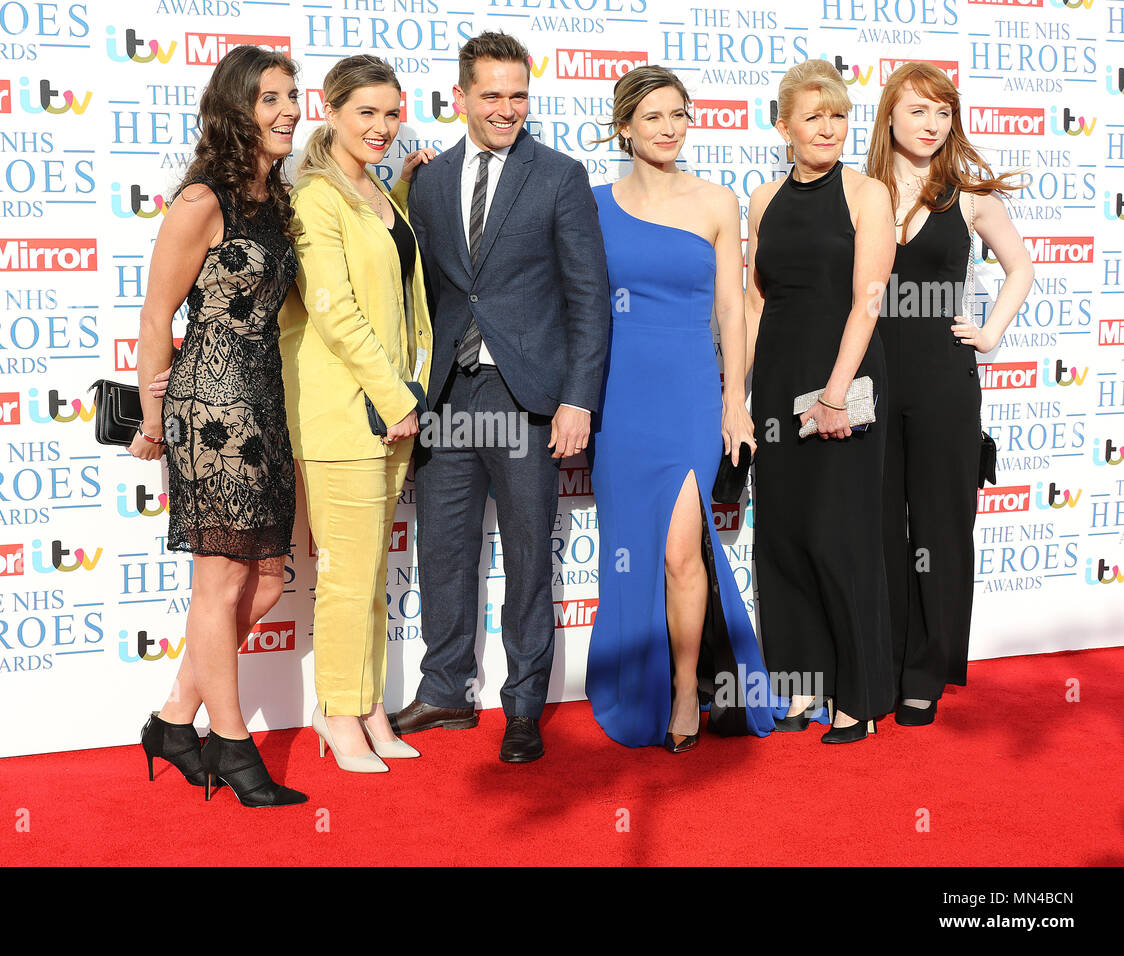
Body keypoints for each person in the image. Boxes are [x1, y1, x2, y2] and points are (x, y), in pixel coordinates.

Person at [389, 31, 610, 763]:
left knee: (526, 560)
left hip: (526, 401)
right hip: (447, 397)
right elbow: (414, 288)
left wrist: (578, 400)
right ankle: (446, 690)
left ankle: (522, 707)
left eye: (518, 95)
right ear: (460, 98)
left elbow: (589, 299)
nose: (506, 108)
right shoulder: (427, 180)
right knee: (442, 552)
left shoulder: (559, 176)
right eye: (491, 95)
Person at [132, 46, 306, 807]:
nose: (289, 111)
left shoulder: (278, 199)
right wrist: (155, 419)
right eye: (269, 99)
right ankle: (233, 746)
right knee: (222, 579)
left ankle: (175, 718)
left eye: (292, 97)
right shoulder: (203, 200)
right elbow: (154, 315)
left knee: (268, 576)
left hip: (264, 397)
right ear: (236, 111)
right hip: (210, 403)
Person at [585, 65, 776, 752]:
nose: (669, 128)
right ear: (625, 126)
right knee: (630, 550)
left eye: (679, 115)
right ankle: (636, 678)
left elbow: (733, 308)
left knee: (677, 555)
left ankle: (688, 686)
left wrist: (736, 402)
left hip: (691, 390)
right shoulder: (594, 202)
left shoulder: (717, 201)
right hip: (618, 394)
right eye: (654, 117)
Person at [278, 55, 433, 772]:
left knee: (371, 573)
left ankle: (366, 703)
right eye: (365, 112)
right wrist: (399, 398)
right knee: (345, 575)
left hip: (391, 412)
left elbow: (397, 294)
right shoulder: (315, 197)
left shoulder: (377, 193)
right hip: (347, 415)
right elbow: (335, 313)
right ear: (331, 110)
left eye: (391, 113)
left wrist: (408, 395)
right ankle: (334, 712)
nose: (380, 126)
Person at [867, 63, 1033, 726]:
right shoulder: (862, 191)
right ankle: (880, 663)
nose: (932, 125)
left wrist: (990, 331)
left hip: (943, 381)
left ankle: (926, 672)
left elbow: (1020, 265)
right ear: (890, 118)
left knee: (939, 529)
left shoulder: (967, 194)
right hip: (872, 381)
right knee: (877, 529)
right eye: (918, 112)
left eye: (943, 113)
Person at [744, 58, 896, 743]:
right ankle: (802, 687)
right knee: (783, 537)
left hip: (845, 384)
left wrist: (835, 395)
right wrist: (736, 397)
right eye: (813, 117)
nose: (829, 128)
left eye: (837, 115)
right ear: (784, 127)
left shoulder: (867, 194)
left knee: (843, 539)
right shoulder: (763, 198)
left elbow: (867, 303)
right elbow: (754, 301)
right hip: (776, 382)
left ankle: (859, 696)